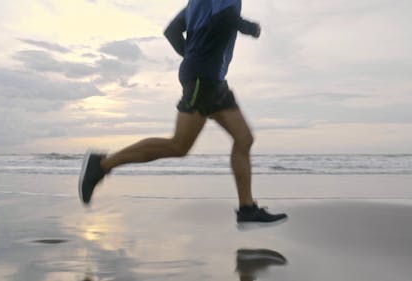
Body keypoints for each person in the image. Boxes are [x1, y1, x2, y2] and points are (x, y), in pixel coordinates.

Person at [79, 0, 287, 224]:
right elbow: (224, 18)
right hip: (203, 79)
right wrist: (249, 28)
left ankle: (247, 209)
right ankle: (101, 165)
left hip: (212, 79)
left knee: (244, 138)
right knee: (178, 145)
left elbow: (172, 31)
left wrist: (192, 54)